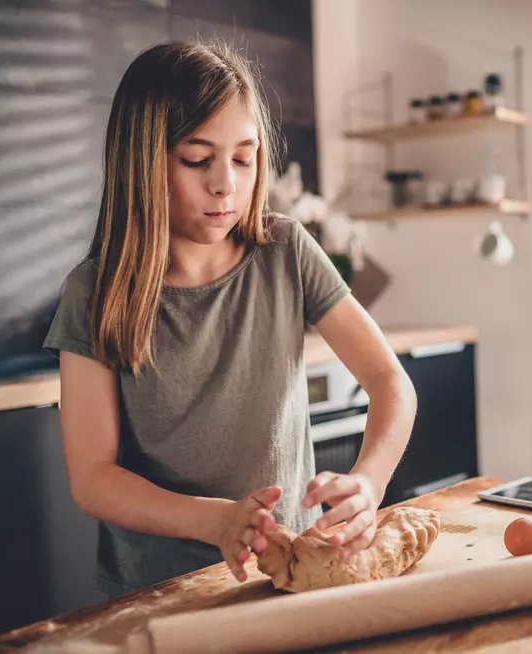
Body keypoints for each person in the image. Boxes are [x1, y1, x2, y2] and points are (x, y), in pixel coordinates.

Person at [43, 39, 416, 598]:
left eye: (244, 157)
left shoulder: (286, 250)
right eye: (198, 159)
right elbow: (94, 479)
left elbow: (391, 382)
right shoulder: (96, 292)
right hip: (156, 590)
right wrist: (216, 521)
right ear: (142, 160)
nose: (227, 184)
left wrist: (368, 480)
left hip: (284, 576)